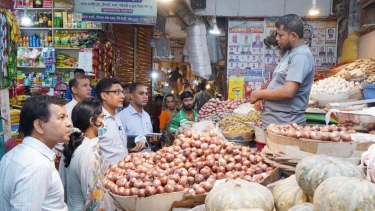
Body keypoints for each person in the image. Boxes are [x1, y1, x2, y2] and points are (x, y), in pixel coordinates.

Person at [0, 95, 71, 210]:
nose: (68, 123)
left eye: (66, 117)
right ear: (39, 125)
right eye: (61, 117)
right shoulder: (37, 166)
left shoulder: (11, 155)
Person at [250, 14, 314, 129]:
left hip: (286, 126)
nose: (277, 39)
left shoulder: (301, 56)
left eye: (280, 35)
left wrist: (258, 93)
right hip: (277, 123)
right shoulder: (291, 53)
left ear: (293, 36)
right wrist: (263, 97)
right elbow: (278, 82)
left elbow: (287, 92)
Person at [59, 101, 113, 210]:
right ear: (92, 121)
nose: (105, 121)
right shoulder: (91, 152)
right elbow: (95, 199)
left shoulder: (73, 145)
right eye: (102, 117)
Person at [96, 78, 130, 164]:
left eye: (122, 92)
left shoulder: (117, 114)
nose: (122, 96)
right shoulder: (97, 119)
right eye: (117, 92)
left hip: (121, 171)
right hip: (106, 173)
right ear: (104, 95)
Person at [119, 83, 159, 152]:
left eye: (146, 94)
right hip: (131, 160)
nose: (145, 96)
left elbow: (148, 140)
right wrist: (129, 150)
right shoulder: (121, 116)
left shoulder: (146, 116)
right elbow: (118, 143)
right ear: (132, 96)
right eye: (141, 93)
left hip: (147, 159)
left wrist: (153, 141)